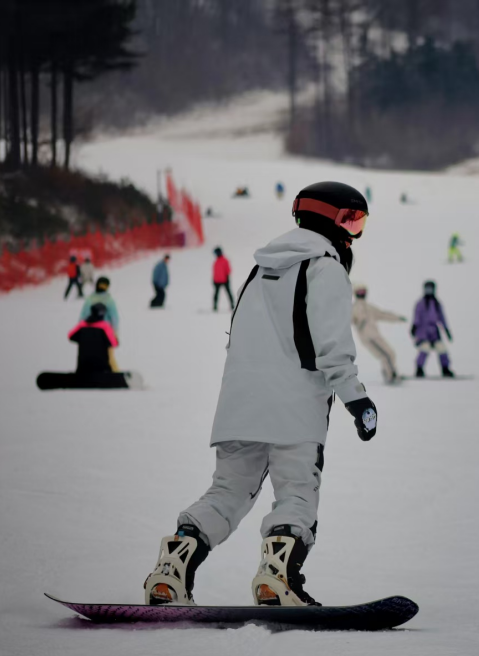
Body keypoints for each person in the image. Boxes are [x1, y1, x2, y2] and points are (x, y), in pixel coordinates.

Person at [143, 181, 377, 607]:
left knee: (227, 493)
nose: (354, 232)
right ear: (328, 219)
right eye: (351, 220)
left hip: (240, 405)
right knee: (297, 493)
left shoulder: (260, 269)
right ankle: (276, 579)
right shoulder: (325, 267)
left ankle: (170, 573)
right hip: (294, 408)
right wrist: (356, 399)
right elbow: (331, 345)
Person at [37, 303, 139, 390]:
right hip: (102, 369)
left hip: (83, 368)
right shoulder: (105, 326)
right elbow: (114, 343)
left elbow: (70, 336)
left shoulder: (82, 325)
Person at [352, 282, 406, 384]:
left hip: (376, 336)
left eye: (363, 291)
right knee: (384, 356)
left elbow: (383, 314)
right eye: (360, 292)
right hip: (367, 337)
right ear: (356, 293)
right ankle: (390, 376)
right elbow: (348, 320)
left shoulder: (369, 307)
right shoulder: (353, 308)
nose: (362, 294)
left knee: (390, 353)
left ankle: (392, 373)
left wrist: (397, 318)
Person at [411, 280, 454, 378]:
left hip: (434, 333)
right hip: (423, 333)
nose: (429, 291)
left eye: (430, 289)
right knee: (424, 348)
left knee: (442, 348)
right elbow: (417, 316)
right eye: (427, 289)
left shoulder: (437, 304)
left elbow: (442, 318)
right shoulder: (421, 303)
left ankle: (445, 368)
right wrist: (414, 326)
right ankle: (419, 369)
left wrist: (446, 330)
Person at [212, 247, 234, 312]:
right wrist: (214, 280)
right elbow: (215, 272)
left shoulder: (225, 260)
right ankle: (215, 306)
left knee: (228, 293)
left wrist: (227, 277)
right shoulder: (216, 261)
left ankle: (232, 305)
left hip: (225, 280)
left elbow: (228, 270)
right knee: (216, 294)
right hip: (217, 281)